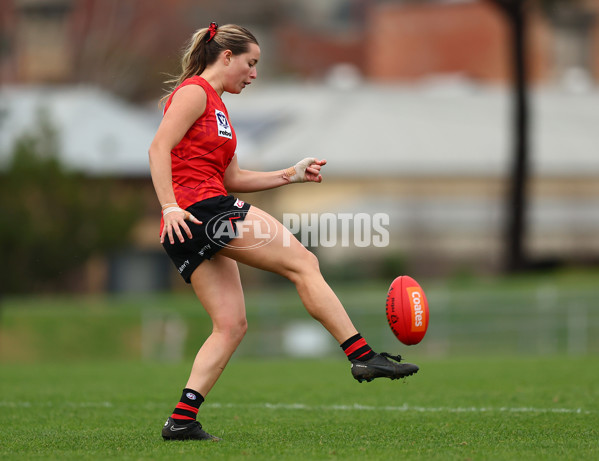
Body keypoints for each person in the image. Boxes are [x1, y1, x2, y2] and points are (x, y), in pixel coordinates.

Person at [148, 22, 419, 442]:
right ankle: (362, 355)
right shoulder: (194, 93)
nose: (254, 74)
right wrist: (168, 207)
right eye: (250, 63)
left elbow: (232, 176)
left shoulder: (218, 106)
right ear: (225, 57)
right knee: (304, 263)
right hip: (200, 211)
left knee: (231, 326)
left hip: (196, 215)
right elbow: (157, 148)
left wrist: (290, 174)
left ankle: (182, 419)